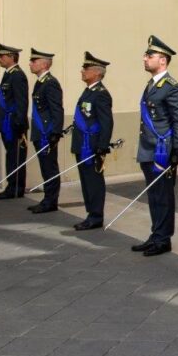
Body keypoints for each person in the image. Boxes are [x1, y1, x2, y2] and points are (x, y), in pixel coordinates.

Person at [133, 36, 178, 257]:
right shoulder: (151, 85)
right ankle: (156, 234)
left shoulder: (172, 87)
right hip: (148, 149)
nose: (144, 58)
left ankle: (164, 239)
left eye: (149, 55)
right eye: (146, 55)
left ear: (163, 60)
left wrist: (176, 150)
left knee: (163, 196)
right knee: (154, 195)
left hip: (162, 152)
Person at [71, 52, 114, 231]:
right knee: (86, 181)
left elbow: (106, 122)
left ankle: (96, 216)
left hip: (92, 146)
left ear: (97, 72)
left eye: (86, 68)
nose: (82, 71)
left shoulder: (101, 94)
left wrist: (102, 146)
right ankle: (90, 213)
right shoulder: (89, 91)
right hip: (83, 144)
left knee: (93, 181)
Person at [27, 48, 63, 213]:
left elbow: (57, 109)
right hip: (40, 131)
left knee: (50, 168)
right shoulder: (40, 82)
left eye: (34, 61)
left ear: (43, 64)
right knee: (45, 167)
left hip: (46, 133)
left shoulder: (50, 83)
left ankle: (51, 201)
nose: (30, 64)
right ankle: (47, 199)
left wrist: (55, 132)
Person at [0, 43, 29, 200]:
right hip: (6, 124)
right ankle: (11, 185)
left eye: (2, 56)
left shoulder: (17, 76)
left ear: (11, 57)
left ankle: (16, 189)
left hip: (14, 125)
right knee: (11, 156)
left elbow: (21, 102)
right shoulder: (8, 74)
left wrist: (19, 125)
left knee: (16, 157)